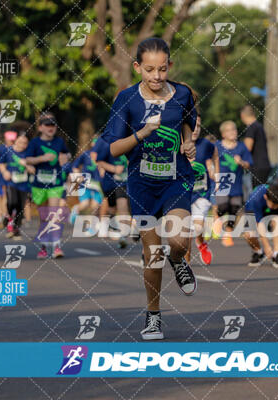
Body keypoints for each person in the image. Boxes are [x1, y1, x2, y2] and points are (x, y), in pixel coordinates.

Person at [102, 37, 198, 340]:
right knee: (152, 254)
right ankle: (153, 315)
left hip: (176, 179)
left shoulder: (182, 93)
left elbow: (187, 123)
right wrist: (142, 133)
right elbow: (114, 149)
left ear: (169, 65)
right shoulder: (126, 99)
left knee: (179, 240)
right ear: (137, 67)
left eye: (162, 69)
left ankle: (178, 258)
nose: (156, 76)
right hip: (142, 185)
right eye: (149, 70)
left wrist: (189, 141)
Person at [25, 111, 71, 259]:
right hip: (39, 185)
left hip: (55, 184)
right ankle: (44, 247)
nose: (51, 128)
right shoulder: (35, 143)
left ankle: (57, 246)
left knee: (54, 213)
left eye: (53, 125)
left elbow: (68, 154)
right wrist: (42, 158)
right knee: (44, 217)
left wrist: (66, 157)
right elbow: (27, 160)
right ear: (40, 128)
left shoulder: (59, 142)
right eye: (47, 125)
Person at [186, 114, 218, 265]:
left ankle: (201, 244)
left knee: (196, 228)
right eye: (193, 125)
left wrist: (215, 172)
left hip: (202, 192)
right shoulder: (177, 143)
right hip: (182, 193)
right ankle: (184, 266)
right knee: (184, 232)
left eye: (199, 126)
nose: (196, 129)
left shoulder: (205, 144)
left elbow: (215, 155)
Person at [215, 120, 253, 247]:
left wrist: (241, 162)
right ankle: (217, 218)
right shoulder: (217, 146)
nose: (233, 132)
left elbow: (248, 165)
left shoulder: (241, 147)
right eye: (229, 130)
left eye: (234, 129)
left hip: (236, 184)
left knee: (235, 209)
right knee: (224, 206)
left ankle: (228, 234)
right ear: (223, 134)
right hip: (222, 182)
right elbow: (210, 160)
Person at [243, 184, 278, 267]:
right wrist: (266, 247)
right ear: (266, 197)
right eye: (273, 205)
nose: (275, 207)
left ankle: (277, 255)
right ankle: (258, 252)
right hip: (254, 212)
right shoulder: (256, 199)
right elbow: (260, 224)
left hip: (273, 215)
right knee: (249, 233)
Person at [94, 136, 130, 248]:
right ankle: (110, 223)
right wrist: (114, 169)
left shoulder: (130, 138)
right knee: (111, 207)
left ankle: (123, 234)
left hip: (123, 182)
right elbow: (99, 162)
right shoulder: (105, 141)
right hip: (109, 182)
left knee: (123, 203)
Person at [0, 131, 34, 240]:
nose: (22, 144)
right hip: (11, 182)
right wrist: (5, 172)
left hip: (24, 184)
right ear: (16, 140)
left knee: (20, 207)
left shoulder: (28, 153)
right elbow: (1, 163)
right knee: (12, 202)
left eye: (25, 143)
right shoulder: (8, 151)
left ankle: (16, 229)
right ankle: (8, 220)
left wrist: (28, 166)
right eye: (20, 141)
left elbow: (33, 168)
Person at [241, 105, 271, 188]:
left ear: (242, 116)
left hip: (257, 166)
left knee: (257, 193)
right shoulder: (259, 126)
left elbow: (248, 147)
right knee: (263, 191)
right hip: (265, 164)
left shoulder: (251, 127)